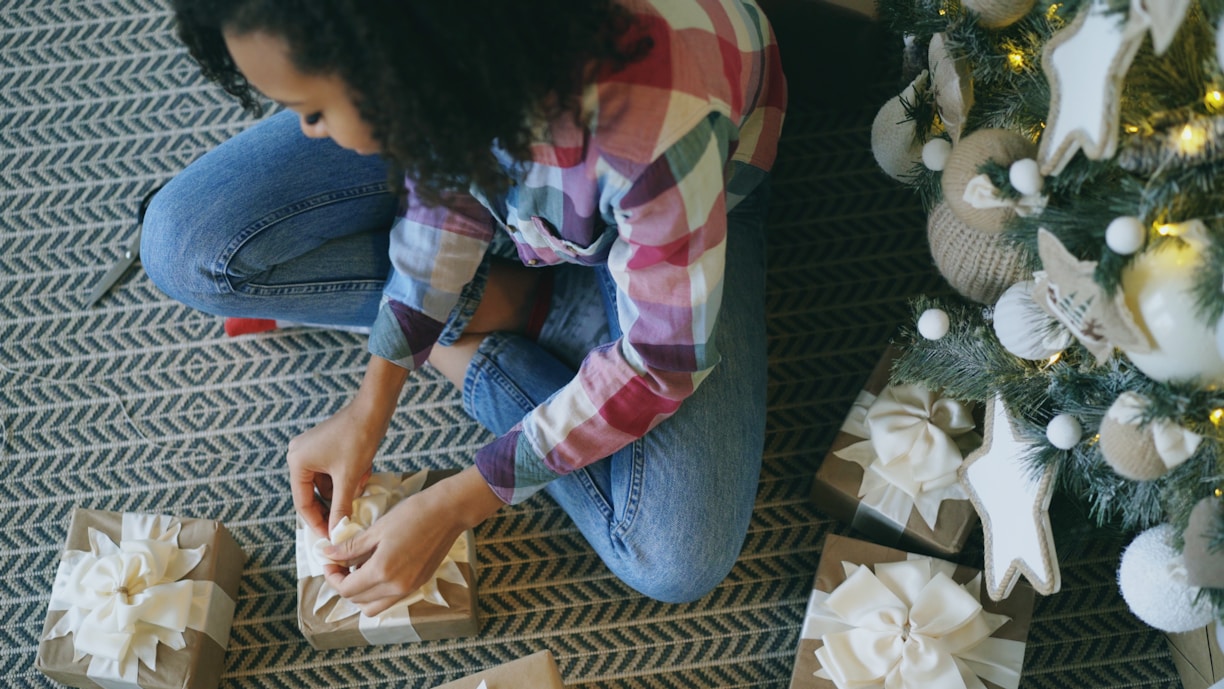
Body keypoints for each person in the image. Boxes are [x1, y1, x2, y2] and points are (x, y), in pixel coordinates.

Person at [147, 0, 786, 615]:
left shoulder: (651, 128)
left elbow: (661, 362)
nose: (311, 132)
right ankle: (526, 306)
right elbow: (441, 182)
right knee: (181, 247)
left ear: (394, 73)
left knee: (674, 558)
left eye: (312, 111)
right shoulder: (446, 60)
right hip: (536, 181)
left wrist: (460, 501)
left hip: (687, 201)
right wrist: (371, 404)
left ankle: (505, 327)